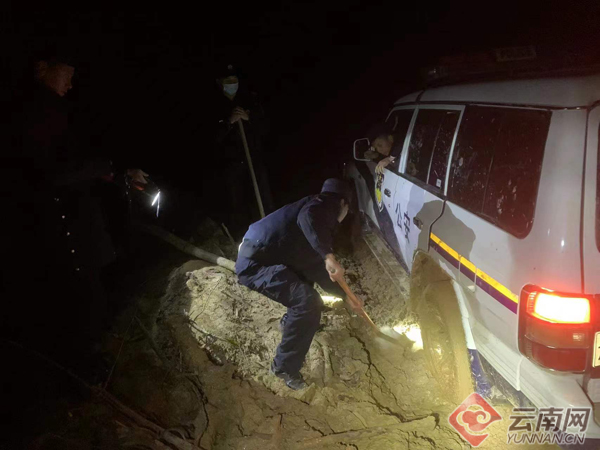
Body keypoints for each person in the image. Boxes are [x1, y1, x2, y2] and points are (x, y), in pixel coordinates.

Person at [3, 53, 147, 365]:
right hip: (59, 223)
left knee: (91, 287)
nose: (70, 84)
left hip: (75, 219)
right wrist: (103, 167)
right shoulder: (32, 111)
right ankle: (84, 365)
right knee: (80, 293)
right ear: (43, 69)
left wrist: (118, 173)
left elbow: (75, 158)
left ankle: (92, 353)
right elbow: (53, 171)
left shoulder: (54, 110)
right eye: (66, 75)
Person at [235, 179, 363, 390]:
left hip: (267, 256)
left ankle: (291, 324)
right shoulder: (324, 205)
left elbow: (315, 267)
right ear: (344, 203)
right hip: (255, 267)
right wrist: (328, 256)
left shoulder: (315, 211)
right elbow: (308, 218)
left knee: (305, 281)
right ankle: (284, 368)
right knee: (308, 303)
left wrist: (346, 296)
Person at [208, 64, 273, 238]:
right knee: (237, 203)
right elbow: (211, 138)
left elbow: (264, 128)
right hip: (231, 164)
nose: (232, 84)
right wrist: (229, 122)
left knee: (261, 199)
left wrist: (248, 118)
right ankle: (243, 239)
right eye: (228, 81)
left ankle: (268, 234)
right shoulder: (214, 105)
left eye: (234, 80)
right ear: (220, 82)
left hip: (253, 159)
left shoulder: (249, 100)